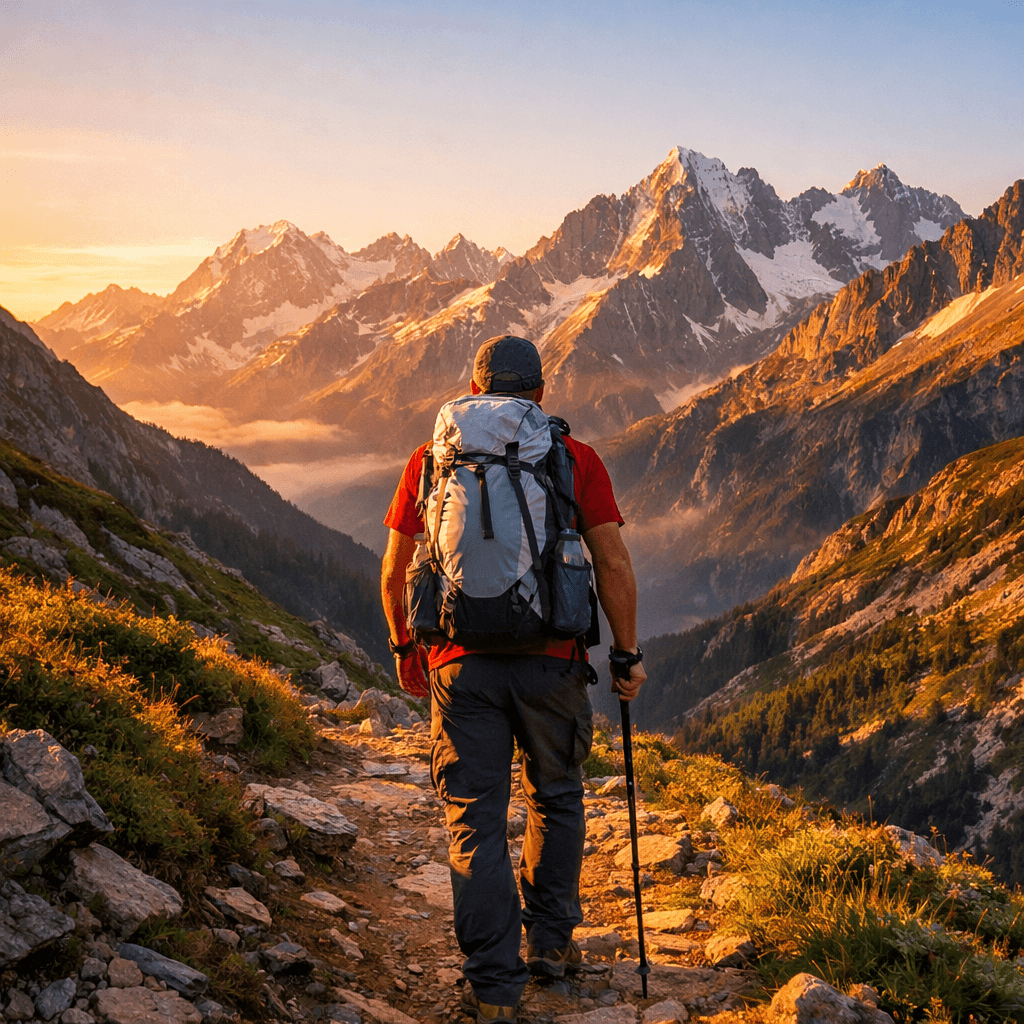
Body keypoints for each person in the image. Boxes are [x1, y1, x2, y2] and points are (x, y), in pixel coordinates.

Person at [380, 335, 646, 1024]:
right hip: (553, 662)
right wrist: (625, 653)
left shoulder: (431, 459)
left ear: (473, 387)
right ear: (540, 391)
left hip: (457, 663)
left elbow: (394, 569)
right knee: (556, 798)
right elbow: (613, 564)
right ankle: (551, 948)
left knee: (474, 818)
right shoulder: (572, 456)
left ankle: (493, 988)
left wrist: (406, 647)